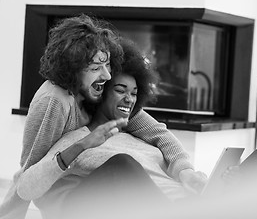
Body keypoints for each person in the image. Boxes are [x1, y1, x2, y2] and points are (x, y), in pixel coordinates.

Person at [0, 15, 202, 219]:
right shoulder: (55, 101)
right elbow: (28, 170)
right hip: (65, 203)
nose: (106, 75)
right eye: (96, 68)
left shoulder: (100, 92)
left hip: (97, 186)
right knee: (122, 164)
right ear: (73, 69)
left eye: (106, 65)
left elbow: (158, 132)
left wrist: (186, 171)